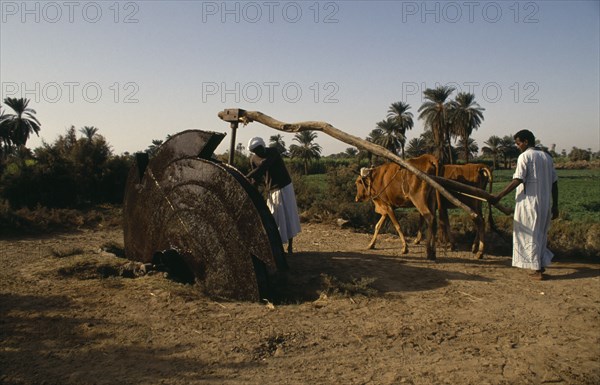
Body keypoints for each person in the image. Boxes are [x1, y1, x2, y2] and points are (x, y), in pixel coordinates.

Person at [490, 129, 558, 281]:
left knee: (530, 234)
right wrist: (555, 205)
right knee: (540, 234)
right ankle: (538, 265)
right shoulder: (547, 157)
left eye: (518, 143)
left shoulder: (525, 156)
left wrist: (499, 196)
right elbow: (554, 183)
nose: (518, 146)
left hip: (529, 203)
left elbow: (518, 179)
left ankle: (537, 270)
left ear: (526, 142)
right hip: (545, 204)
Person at [246, 137, 301, 256]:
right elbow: (256, 178)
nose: (258, 152)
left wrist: (245, 177)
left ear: (263, 146)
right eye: (255, 151)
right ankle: (277, 247)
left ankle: (290, 246)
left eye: (259, 149)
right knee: (275, 217)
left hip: (284, 187)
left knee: (287, 216)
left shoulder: (272, 152)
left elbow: (262, 168)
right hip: (272, 190)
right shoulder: (254, 159)